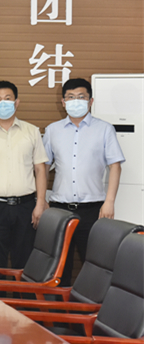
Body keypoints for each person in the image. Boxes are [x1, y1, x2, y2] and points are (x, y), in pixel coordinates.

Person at [42, 77, 124, 285]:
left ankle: (89, 305)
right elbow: (43, 167)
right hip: (59, 208)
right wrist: (40, 199)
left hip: (93, 209)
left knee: (94, 264)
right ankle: (59, 306)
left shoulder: (105, 129)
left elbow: (115, 166)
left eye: (81, 97)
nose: (75, 101)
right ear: (63, 102)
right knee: (59, 266)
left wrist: (109, 202)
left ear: (90, 101)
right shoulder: (52, 130)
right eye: (70, 97)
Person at [0, 80, 49, 269]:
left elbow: (40, 169)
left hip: (26, 207)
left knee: (24, 264)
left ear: (17, 102)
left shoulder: (31, 131)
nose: (3, 103)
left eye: (8, 99)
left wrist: (40, 203)